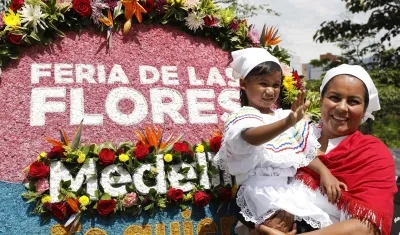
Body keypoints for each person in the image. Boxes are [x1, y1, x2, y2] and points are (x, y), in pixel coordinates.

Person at [250, 64, 397, 235]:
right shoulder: (295, 138)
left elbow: (369, 227)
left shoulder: (373, 154)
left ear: (364, 111)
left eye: (353, 101)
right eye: (334, 98)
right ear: (321, 101)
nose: (342, 107)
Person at [214, 48, 346, 233]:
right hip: (258, 192)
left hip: (289, 190)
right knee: (273, 228)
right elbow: (253, 136)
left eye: (276, 85)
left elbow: (304, 152)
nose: (270, 91)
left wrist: (325, 173)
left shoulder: (284, 115)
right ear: (243, 84)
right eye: (263, 83)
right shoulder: (243, 115)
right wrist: (287, 122)